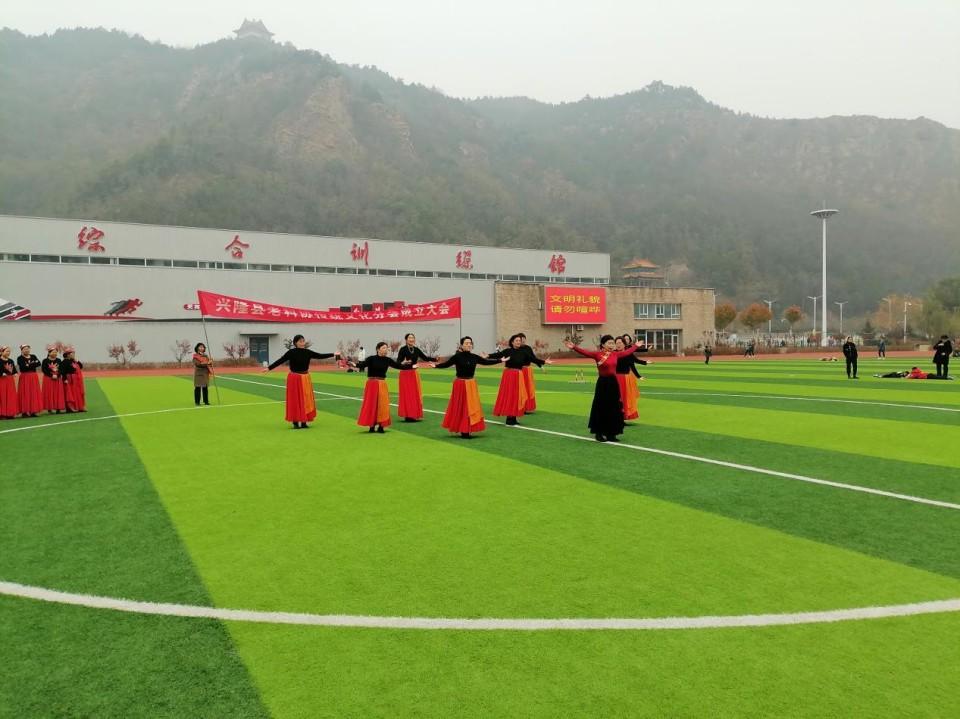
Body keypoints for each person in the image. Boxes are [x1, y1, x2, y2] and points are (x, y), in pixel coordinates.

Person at [564, 335, 646, 442]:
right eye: (609, 343)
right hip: (603, 383)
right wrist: (574, 347)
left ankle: (611, 434)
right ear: (603, 344)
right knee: (601, 407)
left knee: (614, 408)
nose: (612, 345)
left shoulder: (615, 354)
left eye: (613, 343)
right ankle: (599, 433)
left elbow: (627, 352)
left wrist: (636, 346)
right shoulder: (597, 355)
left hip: (613, 383)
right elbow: (585, 352)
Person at [264, 335, 340, 429]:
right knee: (295, 400)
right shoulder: (291, 352)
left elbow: (319, 356)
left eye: (303, 341)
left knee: (306, 399)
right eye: (300, 341)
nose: (302, 343)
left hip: (305, 378)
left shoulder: (307, 352)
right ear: (295, 343)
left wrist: (333, 354)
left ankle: (304, 421)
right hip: (294, 378)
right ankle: (295, 422)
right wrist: (269, 368)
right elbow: (281, 360)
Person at [433, 336, 501, 438]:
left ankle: (468, 428)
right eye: (466, 343)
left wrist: (499, 360)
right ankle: (463, 429)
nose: (469, 345)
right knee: (461, 406)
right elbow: (447, 364)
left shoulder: (474, 357)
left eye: (470, 343)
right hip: (460, 384)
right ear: (462, 345)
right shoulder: (457, 356)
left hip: (471, 384)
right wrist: (436, 366)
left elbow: (486, 362)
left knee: (471, 406)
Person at [489, 333, 552, 426]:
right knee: (511, 396)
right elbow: (498, 355)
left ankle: (513, 418)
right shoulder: (508, 351)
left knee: (517, 396)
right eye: (517, 340)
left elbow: (533, 359)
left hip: (519, 375)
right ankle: (509, 418)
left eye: (519, 340)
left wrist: (544, 362)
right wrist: (488, 356)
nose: (519, 342)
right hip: (509, 375)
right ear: (512, 342)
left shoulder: (523, 352)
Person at [351, 341, 409, 433]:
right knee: (371, 404)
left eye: (386, 348)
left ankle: (381, 426)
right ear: (378, 349)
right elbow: (362, 365)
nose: (386, 350)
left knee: (383, 405)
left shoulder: (388, 360)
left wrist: (411, 366)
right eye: (384, 348)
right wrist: (354, 364)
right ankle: (371, 426)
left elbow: (398, 366)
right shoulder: (371, 358)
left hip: (382, 383)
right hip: (371, 384)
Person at [396, 333, 436, 422]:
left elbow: (425, 358)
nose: (411, 339)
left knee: (414, 394)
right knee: (407, 395)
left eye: (413, 338)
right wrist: (404, 362)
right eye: (409, 338)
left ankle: (413, 414)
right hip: (405, 374)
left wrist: (435, 359)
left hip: (413, 374)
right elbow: (398, 361)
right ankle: (408, 415)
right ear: (406, 340)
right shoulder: (403, 349)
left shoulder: (416, 349)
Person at [614, 336, 650, 422]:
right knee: (615, 398)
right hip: (615, 379)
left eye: (620, 343)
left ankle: (623, 417)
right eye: (616, 343)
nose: (618, 345)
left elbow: (633, 363)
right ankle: (615, 417)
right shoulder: (613, 353)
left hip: (625, 379)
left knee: (625, 399)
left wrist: (644, 363)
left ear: (624, 344)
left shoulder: (628, 353)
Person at [516, 333, 549, 413]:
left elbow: (533, 358)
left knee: (529, 389)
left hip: (527, 371)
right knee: (520, 389)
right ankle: (519, 407)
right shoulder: (515, 349)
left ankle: (528, 407)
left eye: (524, 340)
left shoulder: (528, 348)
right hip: (519, 371)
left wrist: (541, 367)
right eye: (521, 341)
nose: (523, 342)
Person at [15, 344, 42, 417]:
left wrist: (29, 365)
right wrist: (33, 363)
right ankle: (25, 411)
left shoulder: (33, 356)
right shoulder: (20, 358)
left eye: (28, 349)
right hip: (25, 377)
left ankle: (33, 411)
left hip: (33, 376)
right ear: (22, 350)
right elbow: (23, 367)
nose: (27, 350)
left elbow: (38, 363)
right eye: (25, 349)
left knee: (33, 393)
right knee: (25, 393)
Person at [40, 345, 66, 414]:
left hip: (57, 379)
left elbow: (61, 369)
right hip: (48, 378)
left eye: (56, 352)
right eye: (53, 352)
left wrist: (57, 375)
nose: (55, 353)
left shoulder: (59, 360)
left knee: (58, 393)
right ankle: (49, 408)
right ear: (49, 353)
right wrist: (52, 375)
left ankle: (58, 408)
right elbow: (44, 370)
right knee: (49, 393)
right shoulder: (45, 361)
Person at [61, 347, 86, 412]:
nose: (74, 354)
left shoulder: (73, 361)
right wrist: (65, 379)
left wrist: (76, 360)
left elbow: (81, 366)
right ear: (68, 354)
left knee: (77, 393)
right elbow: (62, 371)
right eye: (72, 353)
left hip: (75, 379)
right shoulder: (64, 362)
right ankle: (70, 407)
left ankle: (79, 407)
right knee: (70, 393)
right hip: (69, 379)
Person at [0, 346, 18, 419]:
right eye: (7, 351)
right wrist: (1, 373)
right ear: (2, 352)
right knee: (2, 396)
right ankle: (2, 414)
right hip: (2, 380)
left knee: (10, 396)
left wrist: (15, 373)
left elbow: (14, 370)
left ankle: (10, 413)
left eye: (9, 351)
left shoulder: (11, 361)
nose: (8, 353)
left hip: (10, 380)